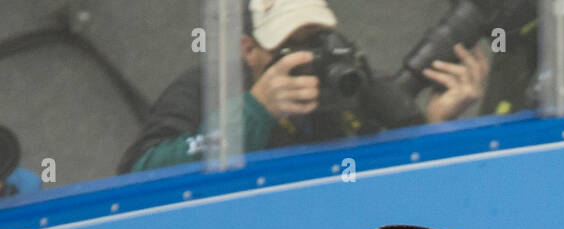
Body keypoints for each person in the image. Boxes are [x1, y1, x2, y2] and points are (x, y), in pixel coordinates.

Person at [118, 0, 488, 174]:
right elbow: (138, 172)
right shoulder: (209, 86)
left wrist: (433, 127)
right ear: (250, 50)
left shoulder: (349, 84)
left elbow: (404, 186)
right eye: (293, 42)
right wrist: (254, 111)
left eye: (319, 37)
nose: (312, 54)